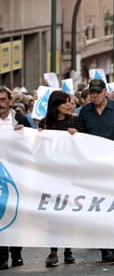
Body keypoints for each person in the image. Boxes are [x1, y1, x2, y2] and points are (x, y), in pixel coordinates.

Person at [78, 79, 114, 263]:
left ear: (105, 92)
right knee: (99, 207)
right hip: (95, 167)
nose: (94, 95)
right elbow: (80, 135)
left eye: (97, 92)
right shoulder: (84, 112)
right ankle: (104, 248)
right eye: (91, 92)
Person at [39, 90, 86, 267]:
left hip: (70, 175)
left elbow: (87, 145)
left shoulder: (76, 121)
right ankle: (53, 251)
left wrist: (77, 137)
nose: (69, 105)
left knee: (67, 213)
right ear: (55, 104)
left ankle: (67, 249)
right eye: (65, 102)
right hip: (51, 175)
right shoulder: (45, 124)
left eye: (70, 101)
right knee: (53, 214)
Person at [0, 86, 29, 270]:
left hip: (17, 172)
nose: (0, 104)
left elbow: (36, 139)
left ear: (10, 101)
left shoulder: (20, 118)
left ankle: (16, 252)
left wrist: (24, 132)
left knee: (17, 212)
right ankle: (1, 256)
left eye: (3, 99)